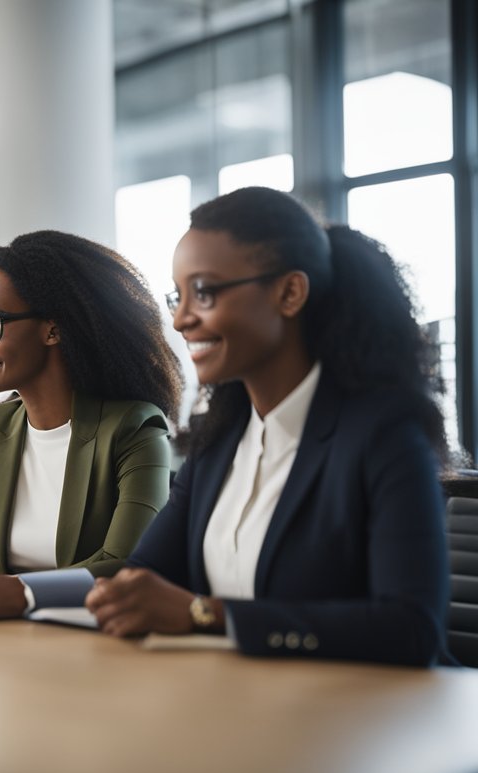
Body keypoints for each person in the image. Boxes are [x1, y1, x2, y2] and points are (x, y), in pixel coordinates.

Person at [73, 187, 452, 666]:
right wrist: (29, 595)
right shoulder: (220, 440)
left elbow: (411, 630)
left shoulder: (383, 436)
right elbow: (143, 579)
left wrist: (206, 613)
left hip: (363, 723)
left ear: (289, 293)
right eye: (178, 295)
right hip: (237, 705)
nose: (180, 318)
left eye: (204, 292)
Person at [0, 230, 183, 620]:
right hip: (2, 638)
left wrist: (8, 592)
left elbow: (127, 564)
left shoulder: (134, 428)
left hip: (96, 646)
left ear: (52, 329)